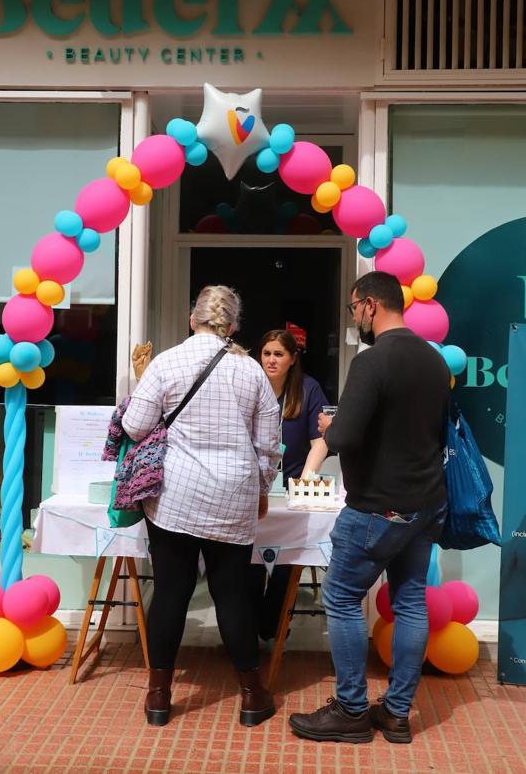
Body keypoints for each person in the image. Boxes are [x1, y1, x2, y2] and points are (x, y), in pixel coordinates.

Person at [289, 271, 449, 745]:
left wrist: (328, 428)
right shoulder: (433, 360)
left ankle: (353, 710)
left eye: (353, 308)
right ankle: (397, 713)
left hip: (377, 506)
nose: (353, 316)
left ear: (370, 305)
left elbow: (347, 435)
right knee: (410, 602)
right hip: (424, 504)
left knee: (339, 598)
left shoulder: (371, 361)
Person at [122, 285, 281, 728]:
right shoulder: (251, 372)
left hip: (174, 495)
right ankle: (251, 696)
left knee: (171, 591)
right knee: (231, 593)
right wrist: (262, 489)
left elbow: (135, 428)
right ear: (232, 327)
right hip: (232, 496)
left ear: (193, 320)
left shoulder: (165, 363)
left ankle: (158, 697)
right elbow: (269, 446)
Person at [250, 329, 328, 640]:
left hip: (293, 486)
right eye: (266, 353)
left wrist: (307, 478)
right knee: (252, 557)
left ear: (293, 359)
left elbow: (320, 440)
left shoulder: (308, 389)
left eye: (278, 354)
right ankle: (252, 620)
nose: (271, 360)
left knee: (288, 555)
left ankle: (272, 623)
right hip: (255, 485)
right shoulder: (250, 386)